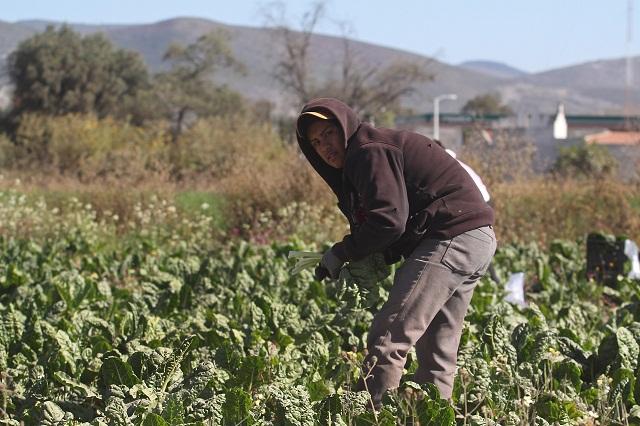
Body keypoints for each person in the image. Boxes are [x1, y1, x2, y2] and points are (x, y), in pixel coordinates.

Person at [295, 98, 497, 409]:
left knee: (389, 335)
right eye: (316, 142)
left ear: (345, 126)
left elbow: (388, 220)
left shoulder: (368, 151)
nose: (325, 146)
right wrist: (368, 255)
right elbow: (393, 222)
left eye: (329, 133)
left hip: (451, 237)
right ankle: (432, 415)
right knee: (436, 351)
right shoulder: (366, 155)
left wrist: (344, 252)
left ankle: (372, 416)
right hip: (474, 239)